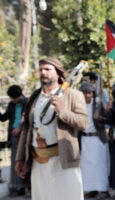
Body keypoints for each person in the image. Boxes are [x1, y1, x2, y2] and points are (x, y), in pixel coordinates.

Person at [14, 57, 89, 200]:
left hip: (64, 161)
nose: (43, 72)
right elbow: (26, 129)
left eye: (48, 69)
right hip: (38, 162)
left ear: (58, 73)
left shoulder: (73, 95)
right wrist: (20, 159)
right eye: (41, 69)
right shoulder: (34, 98)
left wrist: (62, 111)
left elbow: (83, 123)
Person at [79, 82, 110, 199]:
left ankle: (103, 190)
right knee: (87, 166)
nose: (87, 95)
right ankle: (90, 189)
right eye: (85, 93)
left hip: (97, 138)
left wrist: (100, 117)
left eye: (89, 93)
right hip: (85, 138)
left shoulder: (98, 104)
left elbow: (107, 119)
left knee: (100, 165)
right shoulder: (79, 105)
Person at [0, 85, 28, 197]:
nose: (14, 100)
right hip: (14, 136)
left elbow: (30, 119)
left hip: (25, 135)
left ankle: (27, 186)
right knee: (15, 162)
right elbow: (4, 118)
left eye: (15, 98)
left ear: (20, 95)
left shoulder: (27, 102)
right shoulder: (11, 104)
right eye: (12, 98)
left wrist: (20, 128)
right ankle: (17, 187)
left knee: (25, 161)